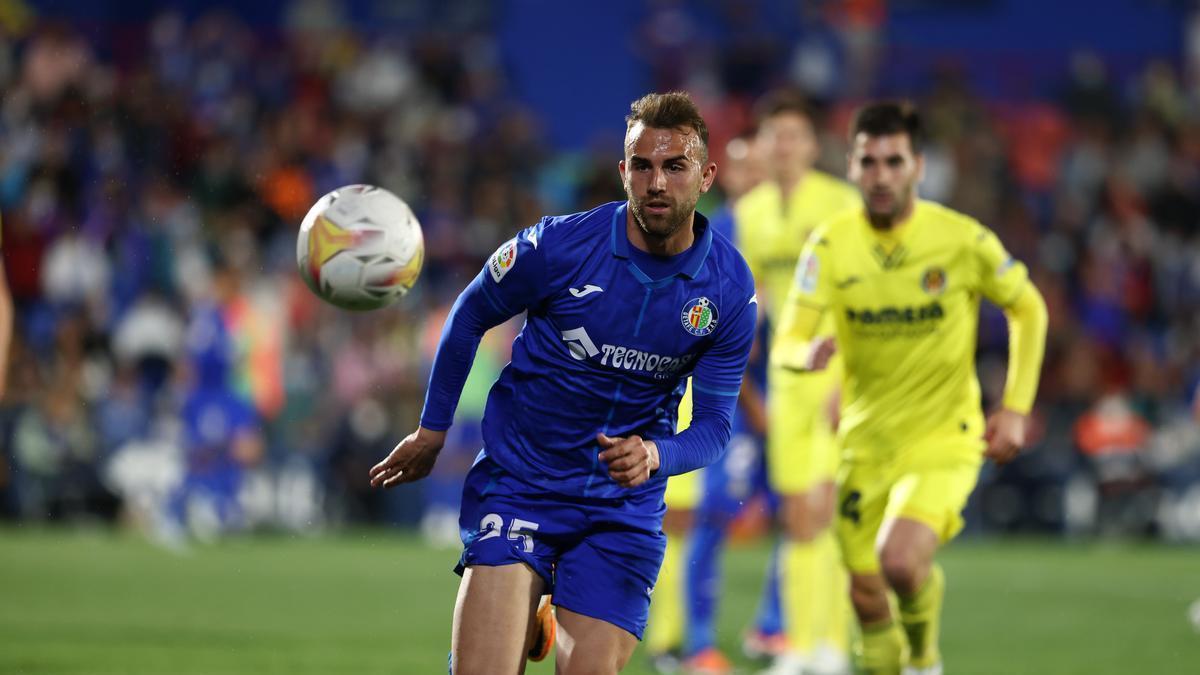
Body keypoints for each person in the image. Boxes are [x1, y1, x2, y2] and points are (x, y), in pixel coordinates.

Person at [369, 91, 758, 675]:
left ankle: (539, 607)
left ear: (705, 177)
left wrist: (657, 453)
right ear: (622, 172)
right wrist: (432, 428)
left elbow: (714, 426)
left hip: (619, 508)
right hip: (523, 483)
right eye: (643, 166)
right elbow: (469, 314)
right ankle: (524, 597)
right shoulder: (557, 246)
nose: (657, 183)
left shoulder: (728, 288)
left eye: (674, 166)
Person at [773, 101, 1048, 675]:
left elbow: (1029, 309)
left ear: (918, 166)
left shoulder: (960, 240)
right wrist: (806, 354)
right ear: (851, 167)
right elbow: (788, 338)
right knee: (867, 598)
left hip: (943, 438)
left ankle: (924, 660)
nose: (880, 175)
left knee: (898, 561)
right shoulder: (829, 246)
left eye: (893, 162)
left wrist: (1016, 408)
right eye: (868, 162)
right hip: (864, 443)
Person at [646, 135, 785, 674]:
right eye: (745, 169)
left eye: (762, 170)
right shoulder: (715, 234)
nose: (754, 180)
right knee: (695, 515)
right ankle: (684, 640)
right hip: (723, 398)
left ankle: (773, 628)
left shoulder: (786, 234)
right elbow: (713, 333)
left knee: (791, 514)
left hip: (780, 398)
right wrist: (751, 401)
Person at [737, 90, 860, 675]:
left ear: (813, 145)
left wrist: (854, 379)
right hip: (786, 379)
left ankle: (830, 645)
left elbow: (862, 295)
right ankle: (801, 645)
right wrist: (743, 382)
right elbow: (748, 307)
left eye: (794, 135)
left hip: (838, 374)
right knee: (797, 517)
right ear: (760, 144)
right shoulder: (751, 212)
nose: (783, 145)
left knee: (827, 509)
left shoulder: (840, 203)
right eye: (774, 135)